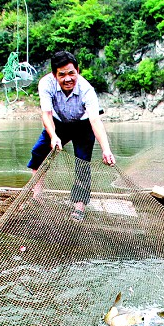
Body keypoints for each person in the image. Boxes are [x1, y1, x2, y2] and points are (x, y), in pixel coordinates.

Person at [27, 51, 116, 221]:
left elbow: (95, 120)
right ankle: (37, 197)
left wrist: (106, 149)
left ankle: (79, 207)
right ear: (54, 75)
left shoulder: (86, 90)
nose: (67, 79)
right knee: (38, 153)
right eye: (62, 75)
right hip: (58, 123)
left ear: (77, 71)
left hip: (83, 125)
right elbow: (46, 114)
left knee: (82, 163)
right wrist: (53, 136)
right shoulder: (46, 84)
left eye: (71, 73)